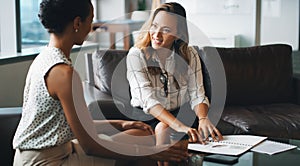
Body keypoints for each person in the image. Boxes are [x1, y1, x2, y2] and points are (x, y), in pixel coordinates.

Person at [12, 0, 189, 165]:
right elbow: (90, 147)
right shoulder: (63, 74)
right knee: (144, 150)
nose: (91, 27)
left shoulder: (45, 58)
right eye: (91, 20)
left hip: (51, 150)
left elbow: (76, 125)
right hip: (48, 161)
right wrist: (150, 153)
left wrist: (121, 124)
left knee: (140, 133)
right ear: (77, 23)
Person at [127, 2, 223, 165]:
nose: (156, 34)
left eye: (166, 30)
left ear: (179, 34)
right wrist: (178, 126)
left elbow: (197, 93)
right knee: (162, 128)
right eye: (154, 26)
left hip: (179, 112)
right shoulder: (137, 55)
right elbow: (149, 101)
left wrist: (203, 118)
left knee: (197, 134)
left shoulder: (189, 53)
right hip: (147, 115)